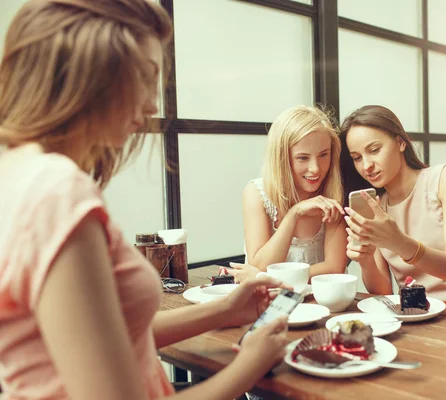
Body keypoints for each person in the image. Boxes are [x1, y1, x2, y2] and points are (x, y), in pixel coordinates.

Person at [0, 1, 288, 399]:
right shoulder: (57, 191)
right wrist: (250, 363)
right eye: (145, 77)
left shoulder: (16, 173)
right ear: (94, 70)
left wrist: (224, 310)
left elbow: (110, 338)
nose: (153, 105)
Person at [340, 105, 446, 315]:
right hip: (415, 311)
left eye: (374, 150)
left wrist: (399, 242)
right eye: (357, 158)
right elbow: (383, 292)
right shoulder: (375, 207)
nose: (367, 165)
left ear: (401, 142)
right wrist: (366, 261)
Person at [232, 106, 347, 282]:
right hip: (265, 303)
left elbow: (334, 268)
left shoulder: (333, 193)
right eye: (303, 158)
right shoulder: (256, 193)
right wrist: (294, 214)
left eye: (324, 155)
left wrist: (266, 277)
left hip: (320, 303)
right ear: (282, 158)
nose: (315, 168)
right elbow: (260, 265)